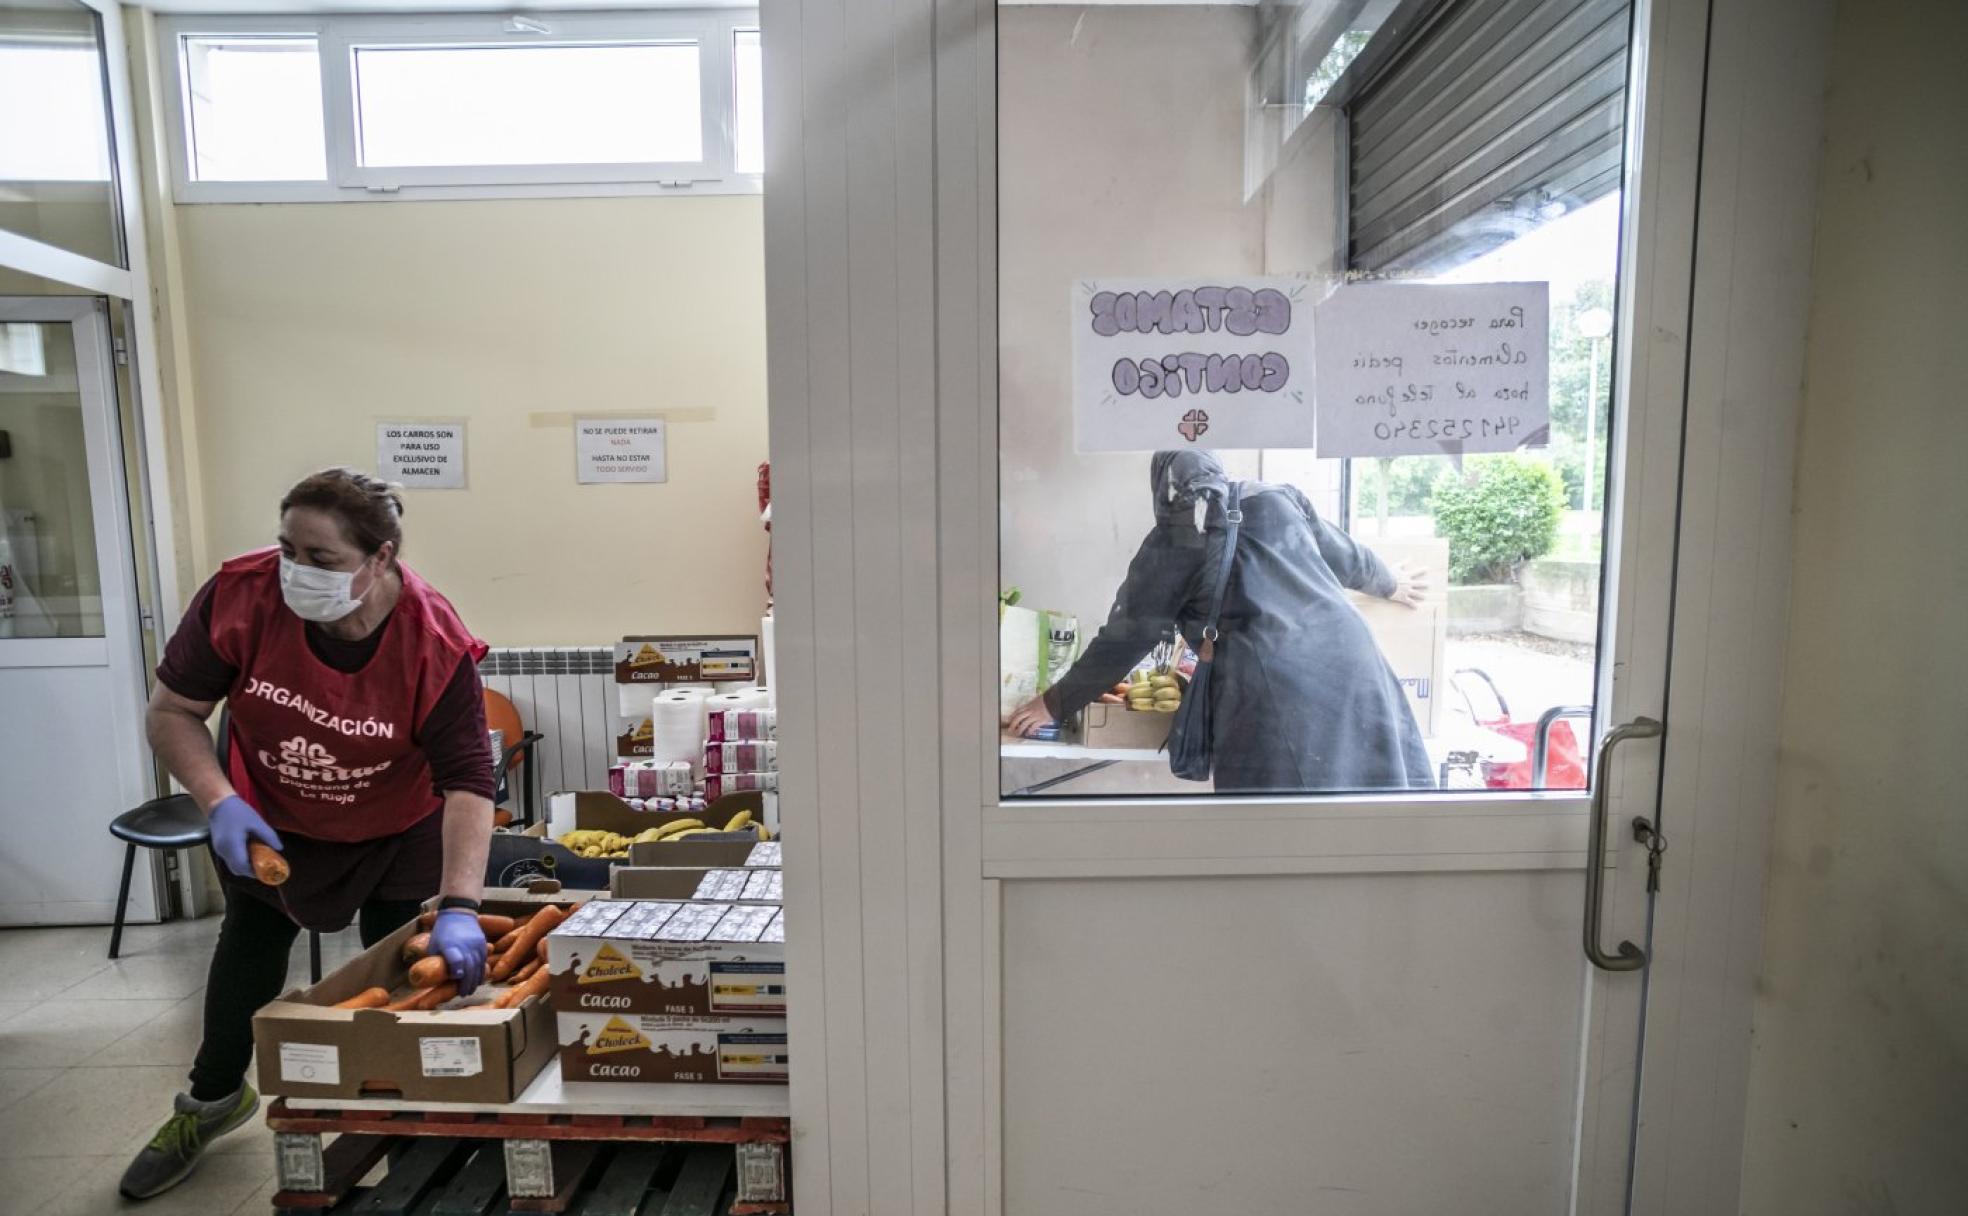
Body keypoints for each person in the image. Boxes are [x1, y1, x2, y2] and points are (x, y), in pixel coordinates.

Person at [120, 469, 497, 1201]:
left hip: (395, 822)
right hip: (269, 816)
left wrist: (458, 902)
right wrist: (219, 799)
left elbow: (468, 783)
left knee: (403, 971)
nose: (295, 570)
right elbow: (171, 711)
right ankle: (210, 1101)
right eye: (287, 547)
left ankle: (411, 1119)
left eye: (321, 559)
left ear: (380, 557)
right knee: (251, 950)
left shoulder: (434, 642)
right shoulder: (241, 597)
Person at [1007, 451, 1436, 792]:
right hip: (1355, 662)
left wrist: (1053, 703)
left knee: (1288, 835)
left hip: (1275, 690)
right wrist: (1390, 582)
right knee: (1377, 808)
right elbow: (1344, 554)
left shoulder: (1178, 538)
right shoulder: (1276, 497)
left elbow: (1126, 637)